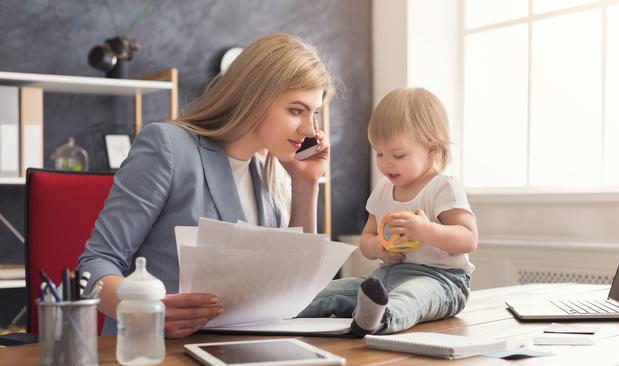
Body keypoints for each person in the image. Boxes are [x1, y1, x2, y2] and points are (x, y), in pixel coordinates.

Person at [78, 32, 333, 338]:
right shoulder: (169, 147)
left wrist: (306, 185)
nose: (309, 129)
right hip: (155, 346)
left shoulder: (271, 172)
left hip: (242, 347)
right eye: (296, 110)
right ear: (254, 97)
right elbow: (95, 264)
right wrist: (144, 308)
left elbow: (295, 285)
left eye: (314, 113)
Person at [298, 87, 478, 336]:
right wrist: (377, 248)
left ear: (432, 149)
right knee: (331, 291)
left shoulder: (442, 187)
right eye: (379, 153)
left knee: (413, 296)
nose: (385, 163)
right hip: (386, 277)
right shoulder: (384, 189)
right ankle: (281, 309)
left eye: (398, 155)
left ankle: (381, 318)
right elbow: (367, 239)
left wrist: (426, 230)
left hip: (442, 281)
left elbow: (468, 239)